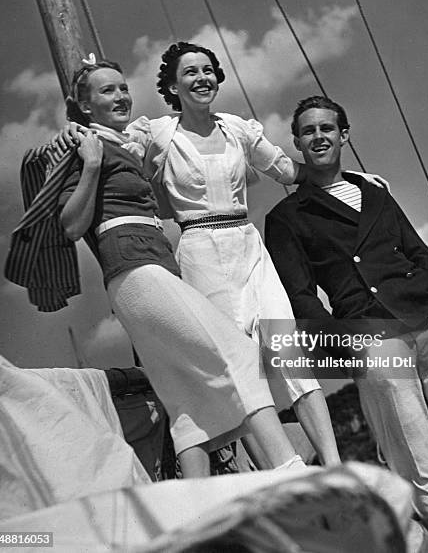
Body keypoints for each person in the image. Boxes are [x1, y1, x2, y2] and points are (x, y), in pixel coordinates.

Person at [264, 95, 428, 553]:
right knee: (417, 464)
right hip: (370, 331)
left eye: (327, 128)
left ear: (344, 135)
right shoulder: (286, 218)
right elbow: (302, 298)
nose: (319, 137)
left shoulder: (376, 192)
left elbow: (416, 249)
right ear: (296, 143)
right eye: (308, 131)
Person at [124, 41, 388, 466]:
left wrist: (350, 179)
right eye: (189, 72)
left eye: (207, 70)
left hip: (248, 245)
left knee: (287, 351)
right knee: (236, 369)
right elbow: (115, 160)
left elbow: (289, 171)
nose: (201, 78)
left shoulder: (237, 130)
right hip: (199, 252)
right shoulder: (156, 134)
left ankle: (335, 466)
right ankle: (283, 471)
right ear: (172, 86)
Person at [53, 57, 309, 478]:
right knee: (241, 354)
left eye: (122, 88)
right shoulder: (84, 145)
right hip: (132, 264)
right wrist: (93, 164)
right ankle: (291, 469)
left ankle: (195, 506)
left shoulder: (126, 143)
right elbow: (70, 225)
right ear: (84, 105)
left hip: (155, 261)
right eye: (106, 91)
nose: (120, 96)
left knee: (184, 397)